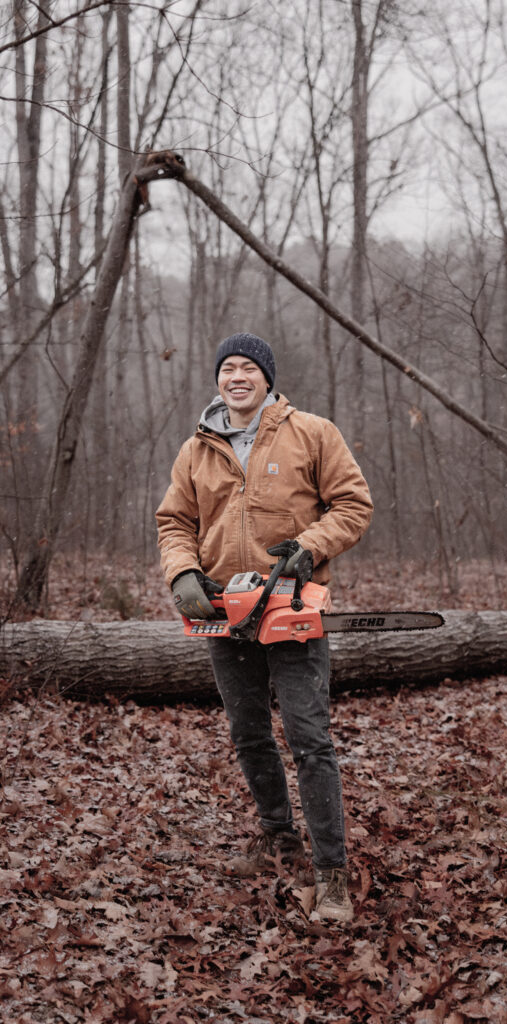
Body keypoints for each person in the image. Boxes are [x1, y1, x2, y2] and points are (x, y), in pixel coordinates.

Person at [156, 332, 373, 923]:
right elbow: (174, 521)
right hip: (226, 607)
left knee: (309, 739)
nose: (237, 377)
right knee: (249, 733)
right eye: (227, 368)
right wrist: (183, 574)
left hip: (293, 604)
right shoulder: (196, 449)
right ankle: (278, 839)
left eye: (248, 368)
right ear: (217, 379)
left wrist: (309, 545)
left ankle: (332, 873)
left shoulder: (312, 433)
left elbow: (353, 505)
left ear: (267, 378)